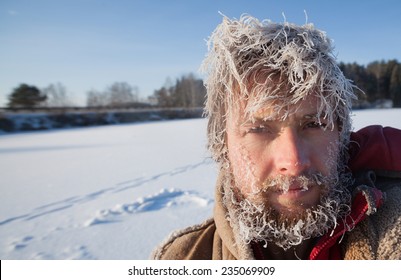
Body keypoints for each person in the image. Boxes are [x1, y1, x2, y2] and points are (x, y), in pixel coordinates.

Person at [151, 15, 401, 260]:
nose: (293, 162)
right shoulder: (182, 259)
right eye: (258, 129)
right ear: (223, 146)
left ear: (341, 136)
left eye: (314, 124)